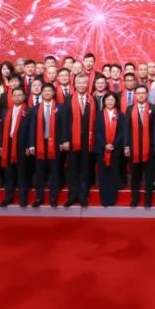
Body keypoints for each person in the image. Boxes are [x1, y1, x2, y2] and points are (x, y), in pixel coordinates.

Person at [61, 74, 95, 208]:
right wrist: (65, 140)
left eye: (84, 83)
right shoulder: (68, 99)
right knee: (72, 170)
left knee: (85, 170)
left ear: (87, 84)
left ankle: (83, 197)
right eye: (79, 83)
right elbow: (64, 121)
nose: (81, 85)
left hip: (87, 141)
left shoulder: (92, 100)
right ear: (74, 85)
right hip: (72, 140)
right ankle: (72, 197)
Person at [27, 84, 62, 208]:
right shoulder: (35, 109)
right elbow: (31, 128)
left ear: (53, 93)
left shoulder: (60, 108)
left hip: (55, 144)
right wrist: (31, 144)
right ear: (41, 93)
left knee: (54, 171)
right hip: (39, 144)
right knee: (40, 172)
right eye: (45, 91)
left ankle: (53, 197)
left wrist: (63, 142)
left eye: (49, 91)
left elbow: (64, 127)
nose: (47, 93)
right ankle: (39, 197)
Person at [0, 87, 30, 208]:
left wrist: (29, 146)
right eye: (15, 95)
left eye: (19, 95)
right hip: (8, 144)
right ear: (11, 97)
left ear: (24, 97)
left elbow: (32, 130)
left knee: (22, 172)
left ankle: (23, 198)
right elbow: (1, 129)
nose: (17, 97)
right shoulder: (5, 111)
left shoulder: (28, 111)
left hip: (22, 145)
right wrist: (0, 144)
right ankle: (9, 197)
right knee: (9, 173)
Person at [125, 85, 155, 208]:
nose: (141, 95)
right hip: (134, 148)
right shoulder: (129, 109)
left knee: (149, 175)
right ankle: (135, 198)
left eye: (143, 93)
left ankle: (148, 199)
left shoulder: (153, 108)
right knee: (135, 175)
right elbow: (127, 129)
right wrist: (126, 146)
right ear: (135, 95)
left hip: (150, 148)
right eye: (138, 93)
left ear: (147, 94)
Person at [94, 93, 124, 207]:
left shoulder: (120, 115)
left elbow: (122, 132)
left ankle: (112, 199)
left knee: (113, 174)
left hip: (115, 149)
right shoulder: (99, 114)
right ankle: (104, 199)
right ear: (104, 102)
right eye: (107, 100)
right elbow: (97, 131)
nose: (110, 102)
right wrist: (105, 145)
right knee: (103, 174)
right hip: (101, 149)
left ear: (115, 101)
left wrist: (113, 144)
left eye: (112, 100)